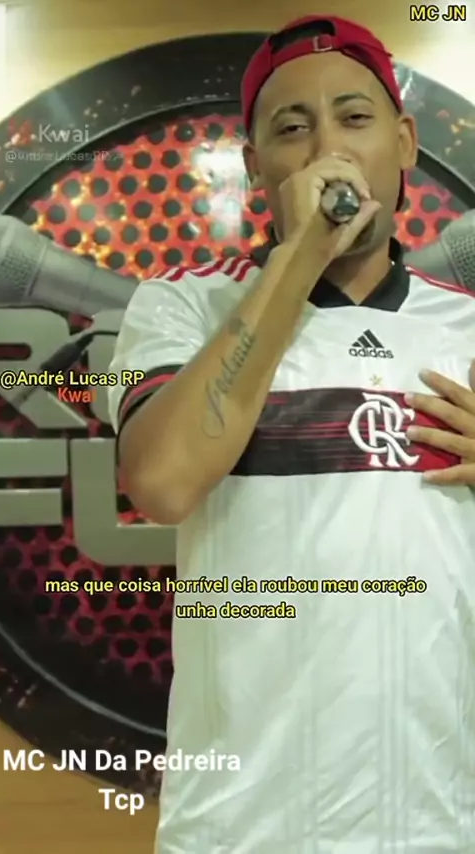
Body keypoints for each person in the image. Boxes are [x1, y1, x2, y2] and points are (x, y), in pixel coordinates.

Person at [108, 15, 475, 853]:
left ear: (404, 143)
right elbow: (162, 482)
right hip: (237, 830)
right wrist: (299, 260)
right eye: (292, 128)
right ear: (255, 167)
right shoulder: (182, 305)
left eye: (355, 118)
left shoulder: (466, 327)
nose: (328, 152)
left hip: (436, 824)